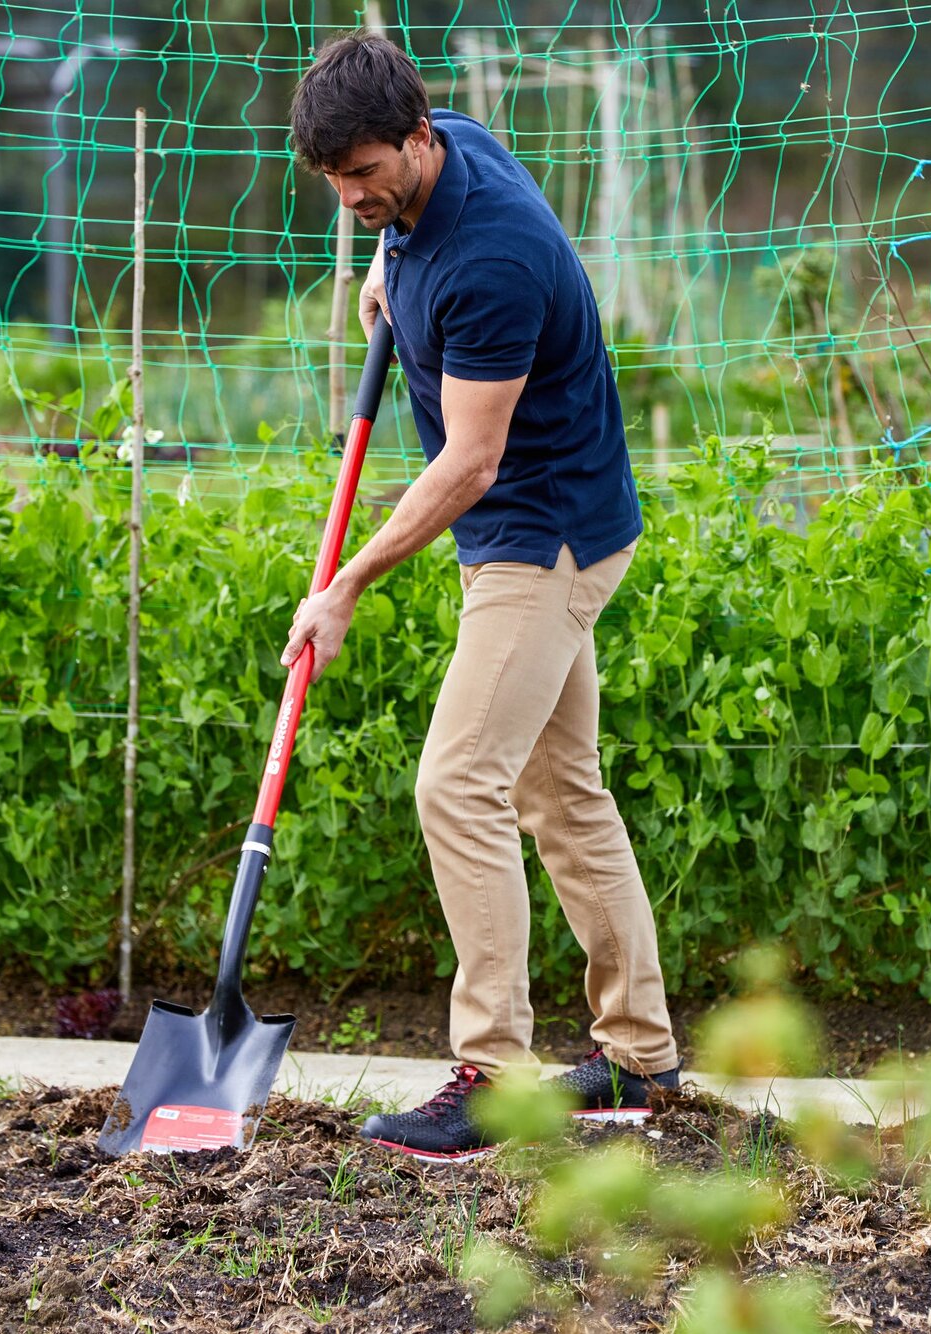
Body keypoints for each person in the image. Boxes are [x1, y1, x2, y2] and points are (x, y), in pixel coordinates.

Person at [284, 31, 679, 1162]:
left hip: (539, 535)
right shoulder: (442, 150)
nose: (351, 196)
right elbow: (414, 234)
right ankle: (638, 1057)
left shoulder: (491, 259)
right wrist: (384, 257)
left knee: (458, 781)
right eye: (334, 182)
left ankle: (491, 1070)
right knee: (562, 792)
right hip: (557, 514)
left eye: (365, 176)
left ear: (413, 139)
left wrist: (346, 582)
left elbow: (469, 464)